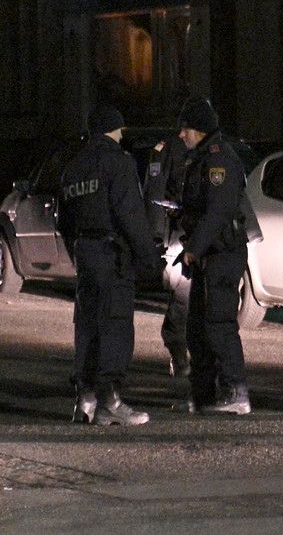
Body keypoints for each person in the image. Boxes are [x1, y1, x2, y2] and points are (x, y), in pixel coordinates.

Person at [59, 103, 162, 426]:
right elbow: (130, 214)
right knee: (115, 326)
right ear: (115, 130)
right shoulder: (118, 163)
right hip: (112, 254)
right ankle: (110, 401)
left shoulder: (73, 167)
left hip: (85, 254)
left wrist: (78, 253)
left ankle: (85, 399)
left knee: (87, 326)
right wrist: (149, 258)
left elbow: (64, 221)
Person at [176, 97, 252, 415]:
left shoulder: (218, 159)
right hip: (210, 253)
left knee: (219, 323)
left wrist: (194, 248)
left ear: (200, 129)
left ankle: (236, 392)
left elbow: (218, 210)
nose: (181, 134)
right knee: (197, 327)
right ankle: (203, 393)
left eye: (186, 129)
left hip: (222, 253)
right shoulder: (202, 157)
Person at [142, 133, 190, 378]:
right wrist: (156, 236)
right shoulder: (169, 148)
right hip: (182, 236)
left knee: (188, 299)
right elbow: (156, 191)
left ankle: (184, 358)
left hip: (193, 235)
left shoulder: (210, 150)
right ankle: (181, 356)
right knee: (184, 295)